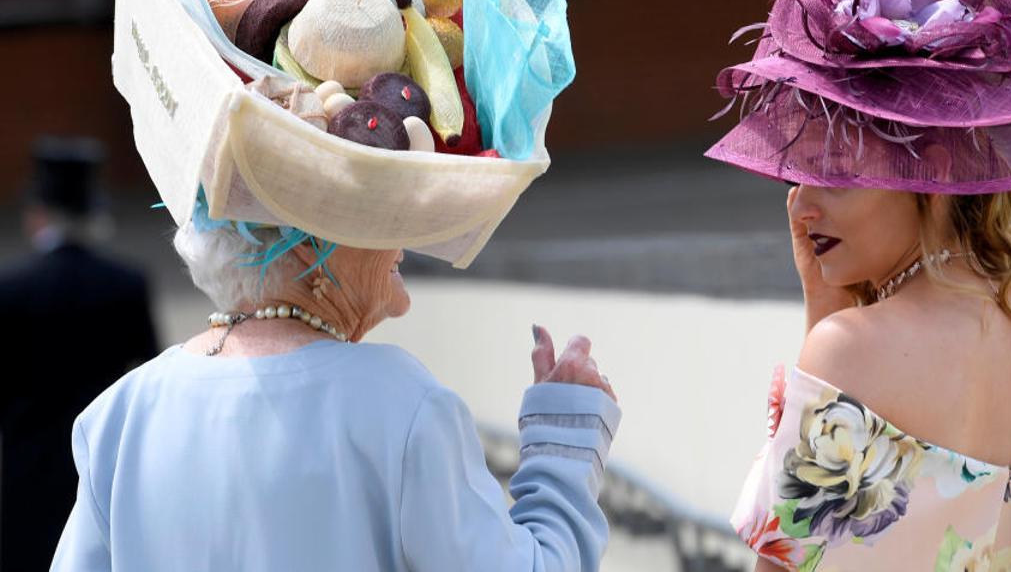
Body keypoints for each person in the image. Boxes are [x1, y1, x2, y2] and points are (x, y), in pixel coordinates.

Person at [706, 0, 1011, 570]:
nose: (800, 203)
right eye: (801, 171)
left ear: (932, 170)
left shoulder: (848, 349)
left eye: (834, 171)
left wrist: (825, 324)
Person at [50, 193, 620, 571]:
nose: (404, 234)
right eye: (374, 207)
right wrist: (563, 446)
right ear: (308, 247)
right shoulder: (401, 404)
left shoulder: (121, 415)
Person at [0, 136, 158, 571]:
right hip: (101, 468)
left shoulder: (10, 290)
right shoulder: (126, 284)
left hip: (24, 472)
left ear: (37, 216)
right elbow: (148, 375)